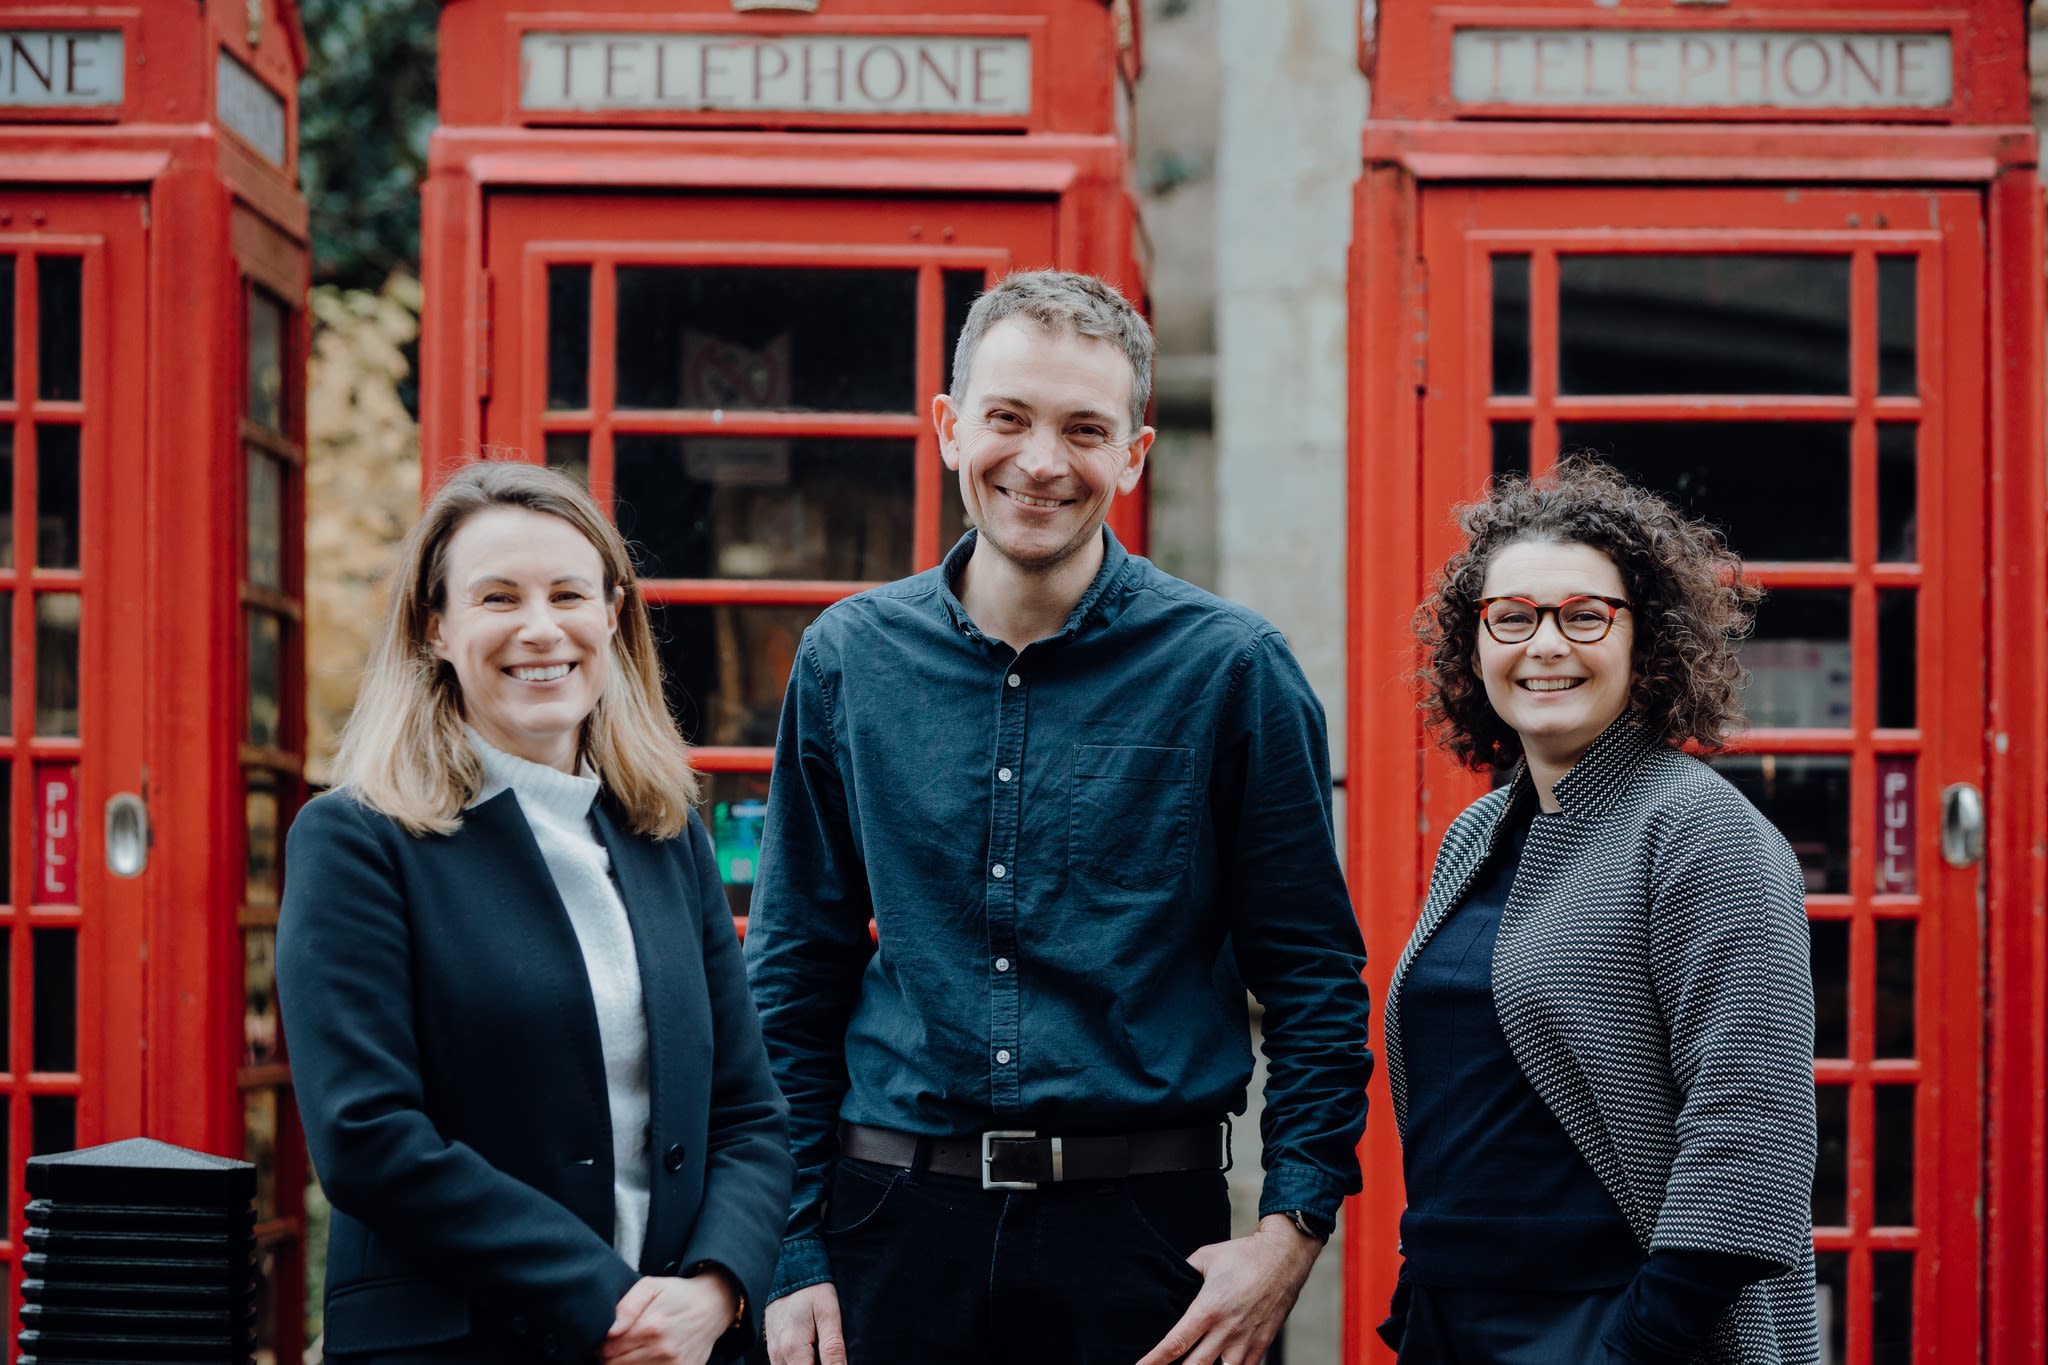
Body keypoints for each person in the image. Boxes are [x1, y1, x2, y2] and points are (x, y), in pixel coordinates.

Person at [744, 269, 1373, 1365]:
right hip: (887, 1223)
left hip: (1141, 1238)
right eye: (1007, 419)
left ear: (1131, 455)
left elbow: (1315, 979)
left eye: (1084, 429)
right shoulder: (847, 658)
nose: (1040, 462)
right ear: (949, 428)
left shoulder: (1231, 671)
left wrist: (1290, 1229)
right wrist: (789, 1247)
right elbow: (794, 970)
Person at [278, 460, 793, 1365]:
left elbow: (749, 1113)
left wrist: (716, 1290)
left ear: (614, 615)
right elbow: (367, 1137)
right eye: (498, 598)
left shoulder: (666, 835)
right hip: (462, 1343)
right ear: (435, 629)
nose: (542, 628)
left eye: (568, 593)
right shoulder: (358, 840)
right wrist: (611, 1302)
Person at [1381, 460, 1819, 1364]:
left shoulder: (1699, 829)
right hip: (1455, 1316)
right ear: (1475, 642)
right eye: (1512, 616)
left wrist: (1642, 1337)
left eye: (1584, 616)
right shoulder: (1477, 833)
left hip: (1618, 1321)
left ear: (1646, 640)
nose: (1545, 644)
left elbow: (1750, 1125)